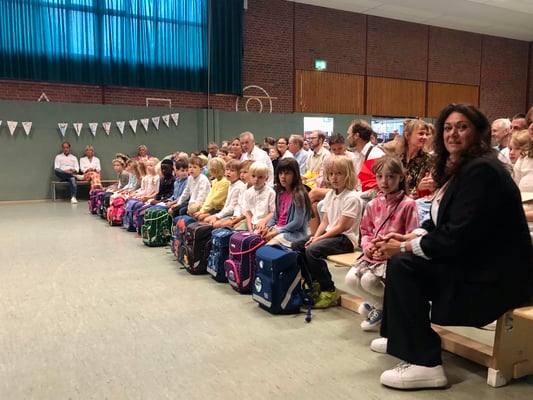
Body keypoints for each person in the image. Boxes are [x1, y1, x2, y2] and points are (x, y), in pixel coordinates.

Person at [370, 103, 533, 390]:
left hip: (494, 275)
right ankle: (401, 338)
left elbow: (458, 236)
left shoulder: (483, 170)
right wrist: (408, 237)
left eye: (462, 127)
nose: (452, 133)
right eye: (447, 127)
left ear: (478, 132)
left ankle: (426, 363)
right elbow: (440, 220)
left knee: (405, 264)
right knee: (401, 260)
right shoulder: (462, 169)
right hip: (473, 260)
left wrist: (405, 249)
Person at [344, 156, 419, 332]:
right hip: (372, 255)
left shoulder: (408, 204)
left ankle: (383, 309)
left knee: (369, 281)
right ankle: (380, 307)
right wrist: (368, 247)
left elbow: (412, 235)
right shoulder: (372, 204)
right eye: (380, 176)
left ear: (401, 177)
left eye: (391, 176)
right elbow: (366, 231)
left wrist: (392, 249)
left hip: (393, 256)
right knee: (350, 279)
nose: (384, 181)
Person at [293, 156, 362, 309]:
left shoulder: (352, 197)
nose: (334, 177)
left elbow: (341, 227)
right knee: (297, 246)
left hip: (345, 239)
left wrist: (318, 240)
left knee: (312, 250)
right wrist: (315, 236)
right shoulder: (330, 194)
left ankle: (329, 289)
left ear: (348, 174)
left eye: (339, 173)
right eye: (331, 174)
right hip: (331, 234)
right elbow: (325, 222)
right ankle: (314, 281)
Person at [258, 158, 312, 247]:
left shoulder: (299, 195)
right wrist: (267, 227)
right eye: (281, 173)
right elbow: (275, 217)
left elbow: (297, 222)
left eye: (287, 173)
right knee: (256, 238)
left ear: (295, 175)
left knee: (267, 248)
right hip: (278, 229)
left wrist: (276, 232)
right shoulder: (280, 192)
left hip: (292, 233)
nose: (283, 176)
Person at [204, 159, 246, 227]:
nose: (228, 172)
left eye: (232, 170)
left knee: (215, 224)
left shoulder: (238, 186)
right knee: (207, 220)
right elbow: (227, 204)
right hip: (228, 211)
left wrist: (217, 216)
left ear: (239, 174)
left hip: (235, 214)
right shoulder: (231, 184)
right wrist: (218, 216)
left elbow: (232, 207)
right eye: (227, 169)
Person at [243, 162, 276, 233]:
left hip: (266, 222)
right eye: (253, 176)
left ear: (266, 178)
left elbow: (273, 212)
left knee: (256, 234)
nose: (256, 179)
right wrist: (250, 228)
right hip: (252, 222)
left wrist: (263, 222)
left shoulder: (271, 192)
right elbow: (248, 212)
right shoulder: (248, 192)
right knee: (236, 233)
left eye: (260, 177)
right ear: (250, 176)